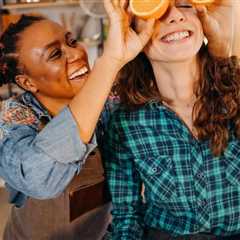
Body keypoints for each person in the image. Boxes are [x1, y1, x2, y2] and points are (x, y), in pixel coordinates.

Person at [0, 0, 156, 239]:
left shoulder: (110, 100)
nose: (76, 54)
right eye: (55, 54)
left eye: (72, 41)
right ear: (27, 83)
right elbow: (39, 178)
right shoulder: (14, 118)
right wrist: (109, 62)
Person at [102, 0, 240, 239]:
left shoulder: (236, 93)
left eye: (185, 4)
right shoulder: (124, 122)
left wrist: (224, 41)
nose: (175, 15)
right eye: (157, 10)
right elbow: (127, 216)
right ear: (134, 35)